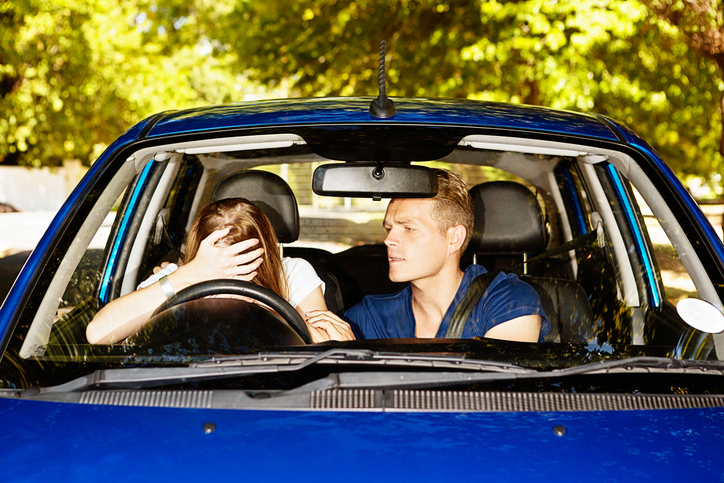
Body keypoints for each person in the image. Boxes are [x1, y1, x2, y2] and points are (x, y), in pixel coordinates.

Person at [305, 168, 550, 342]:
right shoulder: (368, 317)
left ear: (453, 238)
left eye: (408, 228)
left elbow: (498, 399)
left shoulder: (507, 300)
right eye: (389, 228)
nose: (388, 240)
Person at [86, 198, 341, 344]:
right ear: (198, 252)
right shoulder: (177, 277)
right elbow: (97, 334)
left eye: (242, 266)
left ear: (264, 256)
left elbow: (329, 346)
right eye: (217, 263)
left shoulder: (292, 273)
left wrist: (261, 305)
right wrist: (190, 275)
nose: (229, 273)